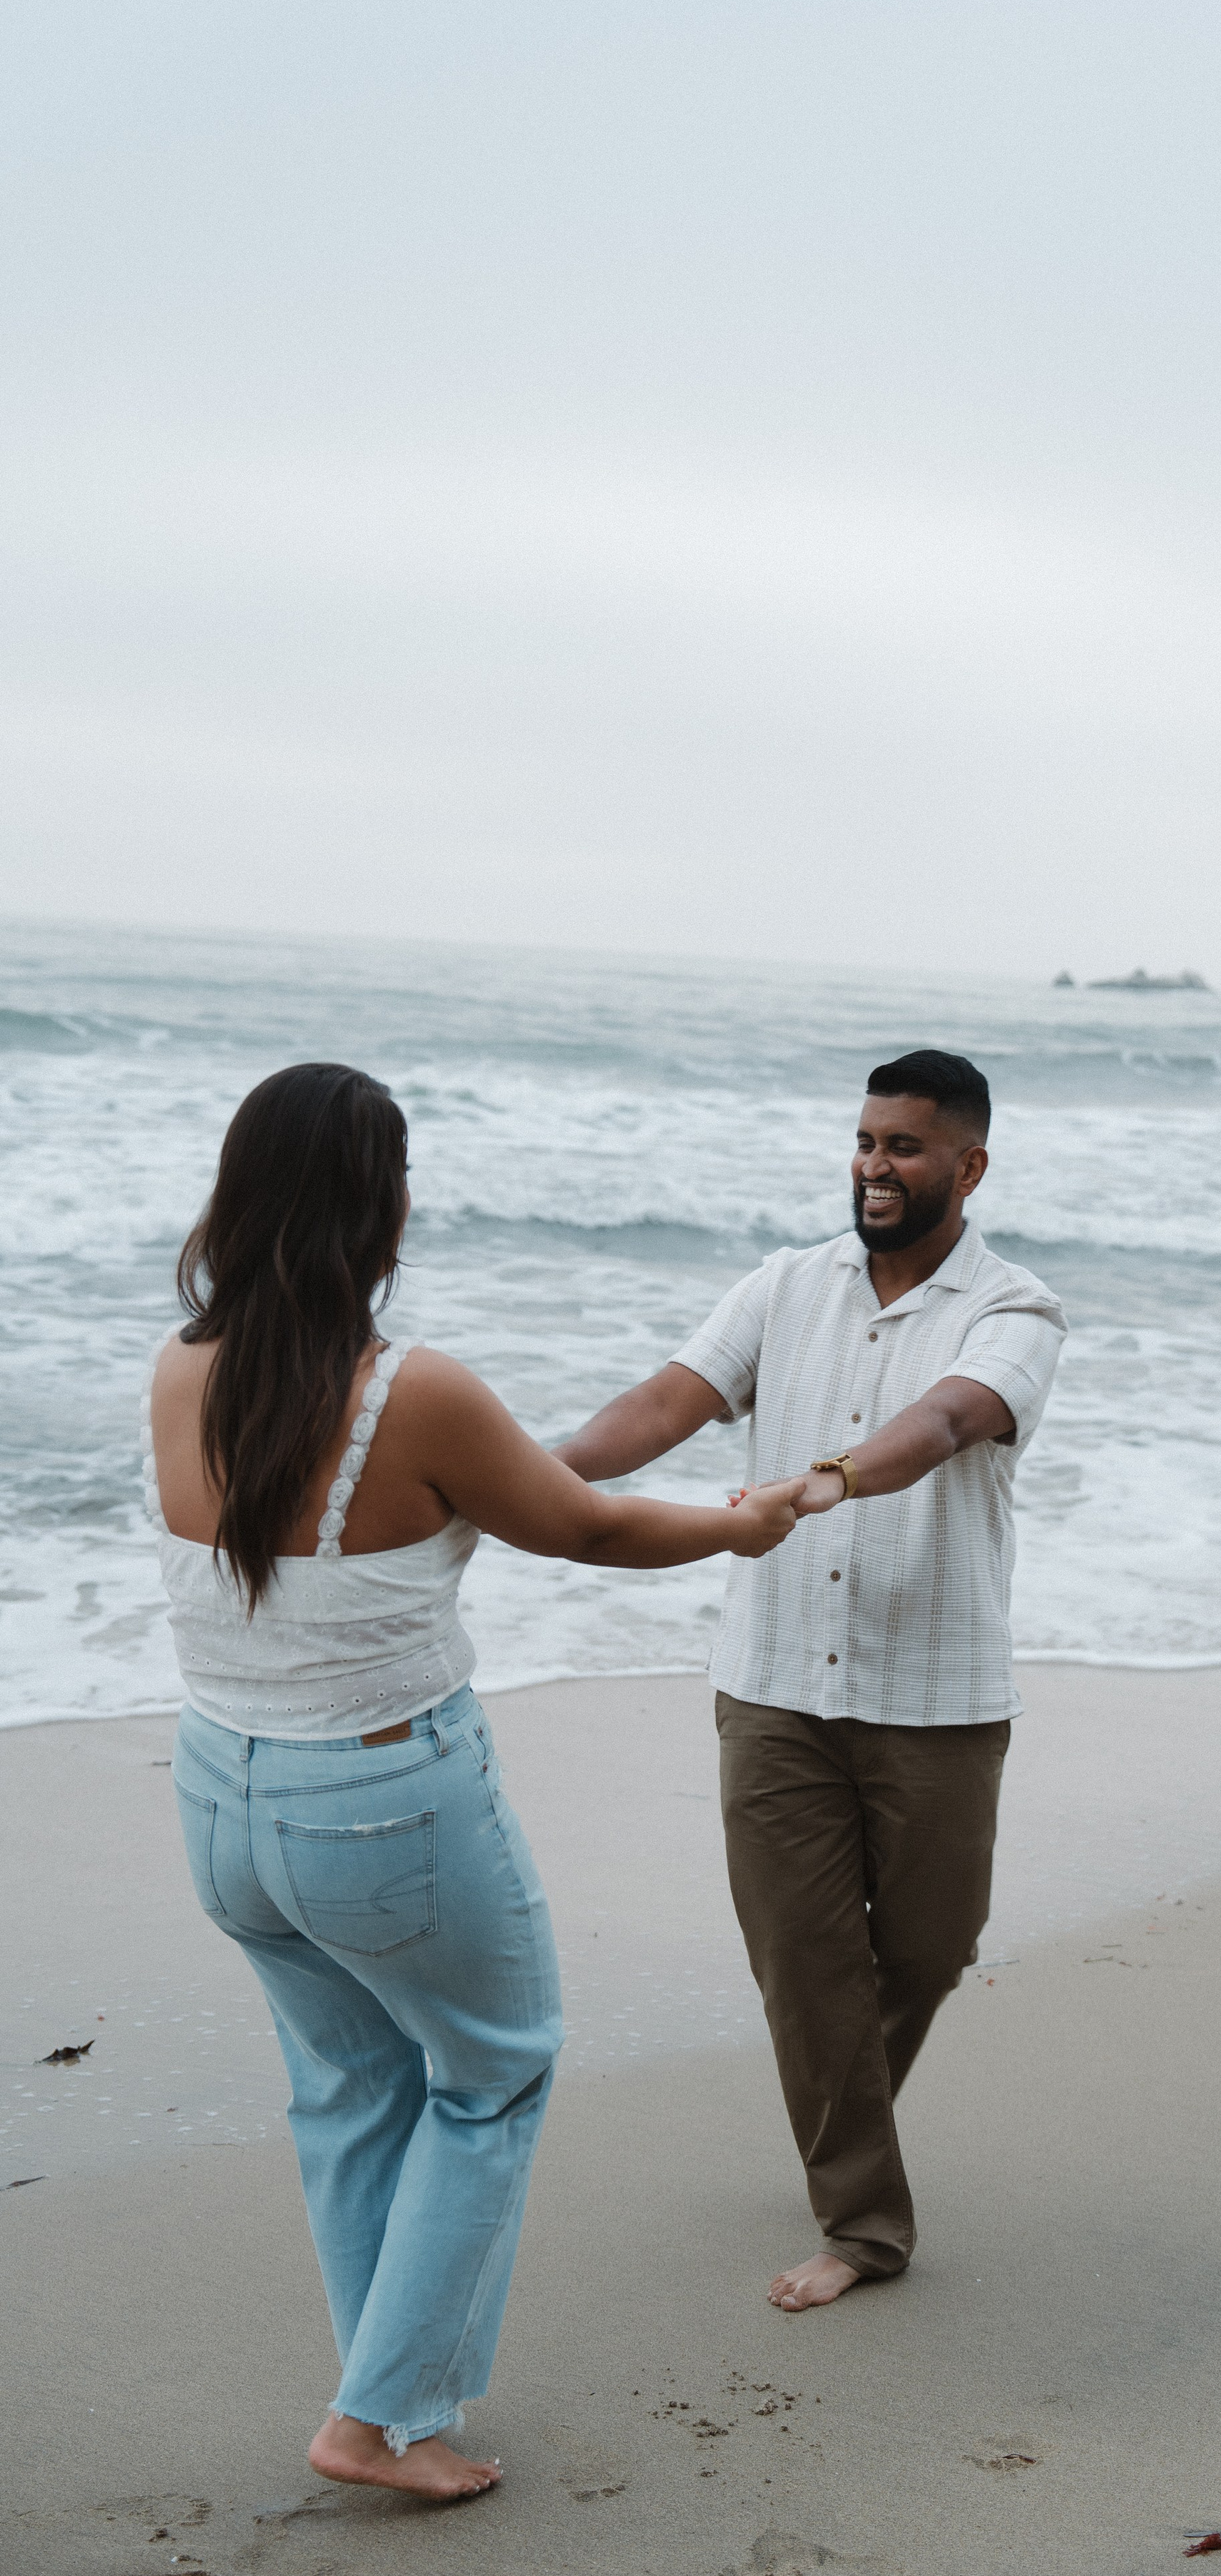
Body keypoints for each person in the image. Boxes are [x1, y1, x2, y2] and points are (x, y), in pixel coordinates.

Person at [145, 1063, 802, 2502]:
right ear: (376, 1208)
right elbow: (585, 1529)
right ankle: (377, 2418)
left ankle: (392, 2405)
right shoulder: (412, 1391)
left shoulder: (181, 1368)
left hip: (217, 1796)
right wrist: (740, 1524)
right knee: (494, 2072)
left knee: (350, 2087)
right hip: (377, 1803)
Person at [558, 1048, 1066, 2310]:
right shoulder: (785, 1284)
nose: (875, 1167)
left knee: (930, 1952)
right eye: (865, 1141)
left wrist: (828, 1478)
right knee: (805, 1962)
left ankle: (840, 2110)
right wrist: (533, 1473)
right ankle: (864, 2225)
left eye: (904, 1147)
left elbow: (945, 1423)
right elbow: (668, 1403)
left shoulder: (1017, 1310)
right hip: (774, 1684)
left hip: (937, 1696)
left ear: (969, 1166)